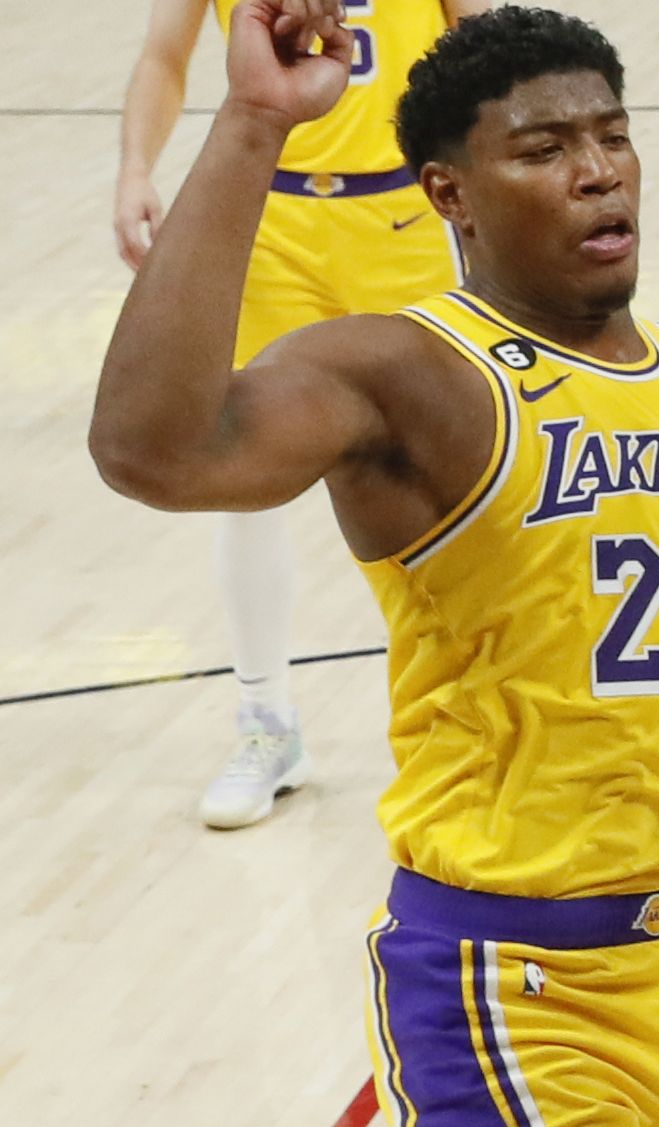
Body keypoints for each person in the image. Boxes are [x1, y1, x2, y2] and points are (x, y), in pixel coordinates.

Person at [91, 5, 659, 1127]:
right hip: (513, 990)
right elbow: (151, 449)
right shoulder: (406, 375)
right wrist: (252, 124)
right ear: (451, 194)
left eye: (612, 136)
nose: (596, 169)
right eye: (543, 150)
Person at [115, 0, 485, 828]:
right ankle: (265, 724)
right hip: (270, 217)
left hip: (401, 215)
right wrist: (137, 167)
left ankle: (478, 719)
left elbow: (480, 38)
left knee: (448, 483)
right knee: (240, 480)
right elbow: (162, 57)